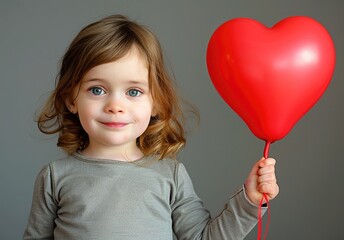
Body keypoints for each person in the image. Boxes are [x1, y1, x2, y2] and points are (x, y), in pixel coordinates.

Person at [23, 14, 279, 240]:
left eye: (133, 91)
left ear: (156, 102)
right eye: (97, 89)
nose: (115, 105)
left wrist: (249, 201)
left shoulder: (171, 176)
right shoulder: (55, 177)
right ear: (71, 99)